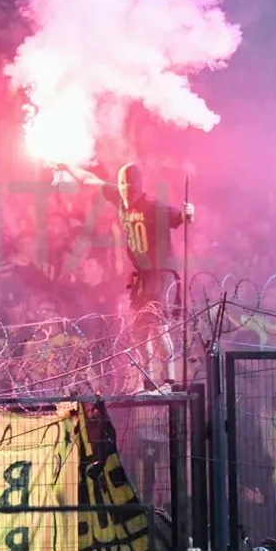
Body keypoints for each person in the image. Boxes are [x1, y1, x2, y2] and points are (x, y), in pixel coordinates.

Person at [61, 162, 194, 388]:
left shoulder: (152, 205)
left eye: (130, 185)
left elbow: (179, 217)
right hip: (141, 275)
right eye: (122, 184)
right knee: (140, 330)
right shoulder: (119, 197)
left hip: (159, 272)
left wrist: (188, 213)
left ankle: (170, 381)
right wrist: (66, 164)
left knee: (157, 325)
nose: (126, 189)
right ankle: (148, 381)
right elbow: (88, 178)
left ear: (140, 186)